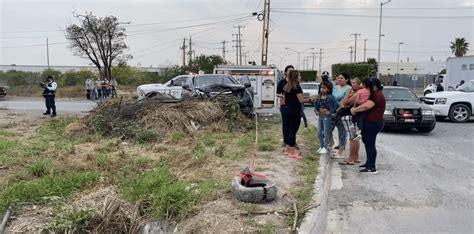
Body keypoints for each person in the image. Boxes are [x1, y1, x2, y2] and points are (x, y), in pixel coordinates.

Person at [351, 78, 386, 174]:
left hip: (373, 122)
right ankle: (368, 163)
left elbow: (367, 106)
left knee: (370, 144)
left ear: (374, 86)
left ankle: (371, 167)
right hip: (371, 122)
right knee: (368, 143)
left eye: (368, 86)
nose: (367, 88)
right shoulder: (376, 93)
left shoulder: (376, 95)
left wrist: (355, 110)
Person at [281, 70, 312, 159]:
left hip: (286, 110)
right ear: (296, 77)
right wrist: (311, 100)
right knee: (293, 131)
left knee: (287, 129)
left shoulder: (286, 86)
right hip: (294, 111)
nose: (300, 77)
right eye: (299, 76)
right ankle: (292, 152)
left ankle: (287, 150)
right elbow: (301, 100)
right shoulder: (297, 87)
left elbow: (293, 97)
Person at [314, 81, 338, 154]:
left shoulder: (331, 97)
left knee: (326, 132)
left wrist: (330, 112)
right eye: (321, 87)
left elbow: (336, 105)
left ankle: (325, 147)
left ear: (328, 89)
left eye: (324, 88)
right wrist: (316, 111)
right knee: (318, 132)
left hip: (327, 117)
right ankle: (321, 146)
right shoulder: (318, 97)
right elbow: (315, 105)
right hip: (320, 116)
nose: (322, 89)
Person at [332, 73, 351, 158]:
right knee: (328, 129)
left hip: (342, 112)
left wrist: (338, 108)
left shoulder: (348, 88)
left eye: (342, 78)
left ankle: (341, 152)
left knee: (342, 131)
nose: (339, 79)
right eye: (338, 78)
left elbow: (345, 100)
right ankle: (331, 144)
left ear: (346, 79)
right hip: (332, 112)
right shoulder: (335, 87)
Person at [277, 65, 294, 149]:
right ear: (286, 72)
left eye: (292, 70)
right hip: (284, 105)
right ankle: (285, 140)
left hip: (294, 106)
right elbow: (277, 93)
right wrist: (282, 96)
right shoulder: (282, 82)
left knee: (293, 125)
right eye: (289, 70)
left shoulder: (295, 82)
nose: (291, 72)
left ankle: (292, 142)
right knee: (285, 124)